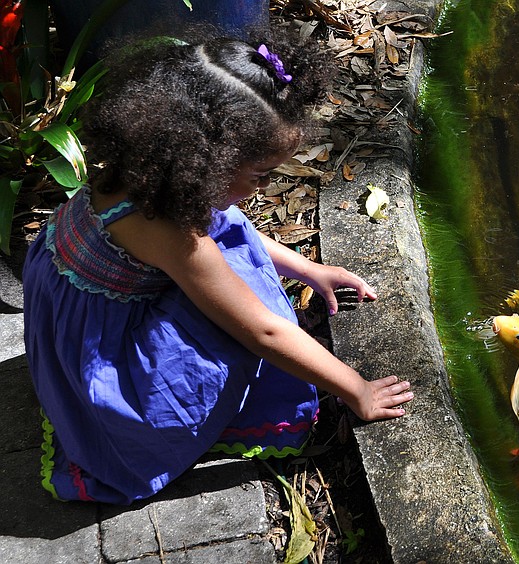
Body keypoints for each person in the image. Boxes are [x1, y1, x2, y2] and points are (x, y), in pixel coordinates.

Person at [22, 31, 413, 505]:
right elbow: (264, 333)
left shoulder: (149, 169)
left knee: (230, 243)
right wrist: (357, 389)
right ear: (207, 159)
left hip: (70, 304)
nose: (264, 187)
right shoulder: (169, 231)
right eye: (260, 176)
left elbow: (228, 228)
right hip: (105, 349)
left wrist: (310, 271)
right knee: (241, 323)